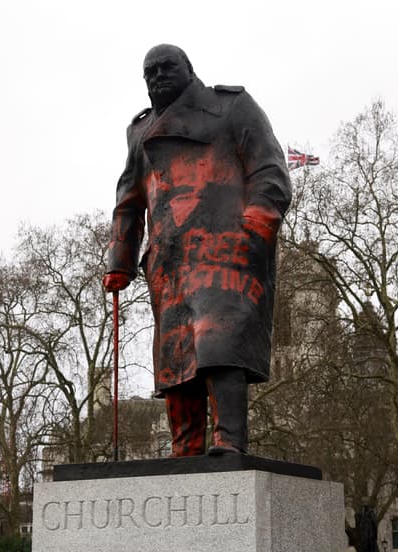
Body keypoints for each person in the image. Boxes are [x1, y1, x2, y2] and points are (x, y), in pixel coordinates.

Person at [103, 44, 291, 456]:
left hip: (226, 249)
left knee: (218, 342)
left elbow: (270, 171)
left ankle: (228, 441)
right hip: (169, 260)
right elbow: (129, 200)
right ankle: (184, 448)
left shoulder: (233, 107)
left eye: (166, 67)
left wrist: (255, 228)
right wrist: (120, 260)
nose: (157, 76)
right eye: (148, 72)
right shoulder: (140, 132)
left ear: (189, 69)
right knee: (176, 356)